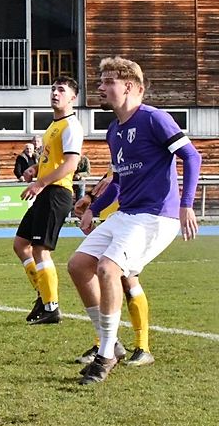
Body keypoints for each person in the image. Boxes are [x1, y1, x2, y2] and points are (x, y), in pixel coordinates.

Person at [68, 56, 200, 385]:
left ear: (129, 87)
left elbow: (191, 155)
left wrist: (186, 204)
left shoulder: (154, 119)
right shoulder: (114, 130)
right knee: (78, 264)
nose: (100, 87)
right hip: (127, 214)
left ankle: (105, 354)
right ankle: (112, 346)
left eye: (107, 81)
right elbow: (118, 181)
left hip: (155, 215)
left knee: (109, 269)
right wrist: (93, 209)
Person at [13, 76, 83, 326]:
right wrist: (35, 169)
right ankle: (43, 296)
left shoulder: (71, 126)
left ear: (73, 97)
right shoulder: (53, 126)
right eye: (53, 89)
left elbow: (71, 164)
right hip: (46, 191)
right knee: (21, 245)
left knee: (41, 249)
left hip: (56, 193)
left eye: (61, 90)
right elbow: (53, 160)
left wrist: (41, 182)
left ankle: (51, 307)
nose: (55, 93)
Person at [73, 172, 154, 367]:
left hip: (136, 218)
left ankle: (142, 347)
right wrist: (91, 199)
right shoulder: (118, 146)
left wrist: (93, 206)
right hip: (116, 217)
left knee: (128, 278)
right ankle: (105, 343)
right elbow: (110, 179)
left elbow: (117, 182)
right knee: (100, 274)